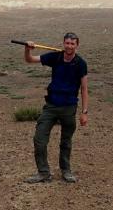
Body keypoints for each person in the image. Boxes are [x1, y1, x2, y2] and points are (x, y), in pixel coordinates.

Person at [23, 32, 89, 183]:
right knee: (39, 139)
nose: (69, 46)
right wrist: (28, 49)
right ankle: (43, 172)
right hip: (51, 105)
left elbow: (84, 89)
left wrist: (84, 112)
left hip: (69, 107)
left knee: (66, 141)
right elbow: (30, 60)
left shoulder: (80, 64)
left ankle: (66, 170)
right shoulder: (55, 57)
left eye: (72, 44)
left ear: (77, 45)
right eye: (67, 43)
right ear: (63, 43)